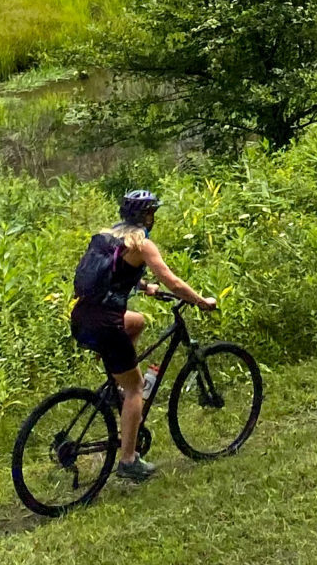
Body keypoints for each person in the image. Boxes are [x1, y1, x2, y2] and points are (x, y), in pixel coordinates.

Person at [70, 189, 217, 482]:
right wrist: (201, 301)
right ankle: (128, 460)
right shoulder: (142, 243)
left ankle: (116, 386)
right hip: (106, 324)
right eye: (153, 213)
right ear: (146, 216)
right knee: (137, 387)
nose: (154, 218)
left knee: (136, 322)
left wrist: (142, 287)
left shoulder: (107, 236)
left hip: (82, 317)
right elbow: (173, 282)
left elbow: (108, 275)